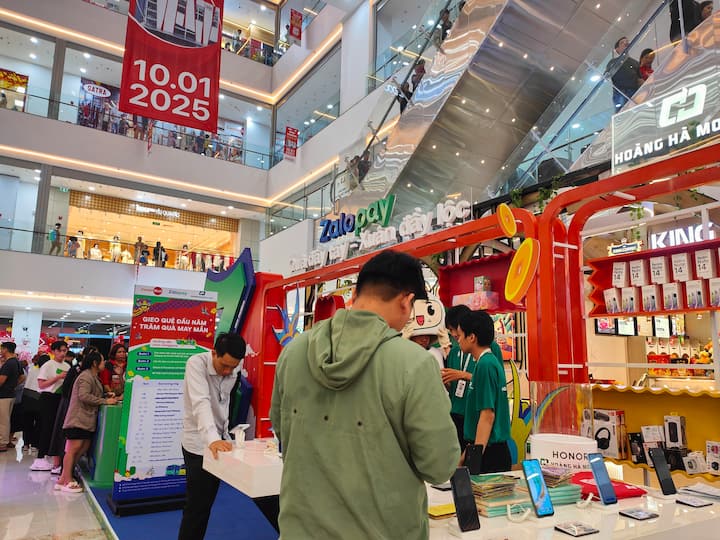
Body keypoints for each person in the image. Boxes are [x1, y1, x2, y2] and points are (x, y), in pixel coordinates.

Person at [270, 250, 459, 539]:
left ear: (356, 293)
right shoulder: (415, 364)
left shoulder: (293, 352)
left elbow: (283, 433)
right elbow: (439, 466)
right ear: (406, 301)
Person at [178, 333, 246, 540]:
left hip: (222, 441)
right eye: (224, 366)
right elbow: (201, 403)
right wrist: (212, 438)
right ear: (214, 353)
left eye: (233, 367)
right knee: (197, 507)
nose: (228, 371)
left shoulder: (234, 365)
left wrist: (224, 436)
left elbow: (225, 401)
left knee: (206, 503)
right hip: (198, 444)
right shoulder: (196, 364)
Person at [456, 310, 511, 473]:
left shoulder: (485, 365)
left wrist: (474, 461)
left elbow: (487, 415)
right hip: (485, 447)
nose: (458, 340)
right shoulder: (488, 362)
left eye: (460, 335)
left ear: (472, 337)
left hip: (490, 452)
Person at [442, 306, 504, 448]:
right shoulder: (454, 352)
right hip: (457, 414)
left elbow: (495, 386)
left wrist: (464, 375)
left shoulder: (488, 356)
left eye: (455, 330)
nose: (454, 335)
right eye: (450, 331)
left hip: (478, 417)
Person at [56, 350, 117, 493]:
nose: (104, 363)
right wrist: (104, 401)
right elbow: (83, 396)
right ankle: (67, 480)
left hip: (86, 420)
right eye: (102, 361)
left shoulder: (93, 377)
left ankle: (63, 478)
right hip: (78, 419)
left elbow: (91, 393)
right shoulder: (85, 376)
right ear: (95, 363)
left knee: (82, 447)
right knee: (73, 449)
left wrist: (105, 395)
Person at [31, 341, 69, 472]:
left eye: (65, 350)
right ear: (53, 351)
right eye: (60, 350)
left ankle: (53, 458)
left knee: (55, 429)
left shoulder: (67, 366)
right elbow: (41, 385)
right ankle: (40, 457)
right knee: (45, 427)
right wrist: (58, 377)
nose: (62, 353)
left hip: (60, 399)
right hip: (48, 398)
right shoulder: (48, 365)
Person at [606, 37, 643, 111]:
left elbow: (639, 78)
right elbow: (607, 76)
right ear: (617, 49)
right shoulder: (613, 62)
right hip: (621, 94)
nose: (626, 43)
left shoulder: (635, 62)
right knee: (623, 112)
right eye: (622, 42)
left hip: (635, 92)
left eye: (627, 42)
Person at [22, 353, 49, 452]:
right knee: (39, 423)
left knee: (27, 422)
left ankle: (25, 444)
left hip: (27, 397)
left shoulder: (32, 368)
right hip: (40, 398)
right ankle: (35, 444)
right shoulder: (46, 372)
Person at [0, 342, 22, 452]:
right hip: (10, 394)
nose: (1, 351)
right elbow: (23, 377)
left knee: (3, 420)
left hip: (4, 395)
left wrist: (8, 386)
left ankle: (2, 443)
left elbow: (1, 380)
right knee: (5, 419)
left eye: (1, 349)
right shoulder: (16, 362)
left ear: (6, 349)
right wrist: (13, 385)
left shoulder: (8, 363)